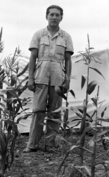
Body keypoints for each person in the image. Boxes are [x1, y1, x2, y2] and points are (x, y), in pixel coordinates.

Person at [23, 5, 74, 153]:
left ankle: (50, 144)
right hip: (41, 76)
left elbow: (68, 60)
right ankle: (32, 144)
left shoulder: (66, 37)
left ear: (61, 18)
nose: (54, 17)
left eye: (57, 15)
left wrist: (68, 79)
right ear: (46, 16)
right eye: (51, 14)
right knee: (38, 111)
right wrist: (30, 78)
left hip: (58, 77)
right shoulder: (39, 34)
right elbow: (33, 58)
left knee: (55, 111)